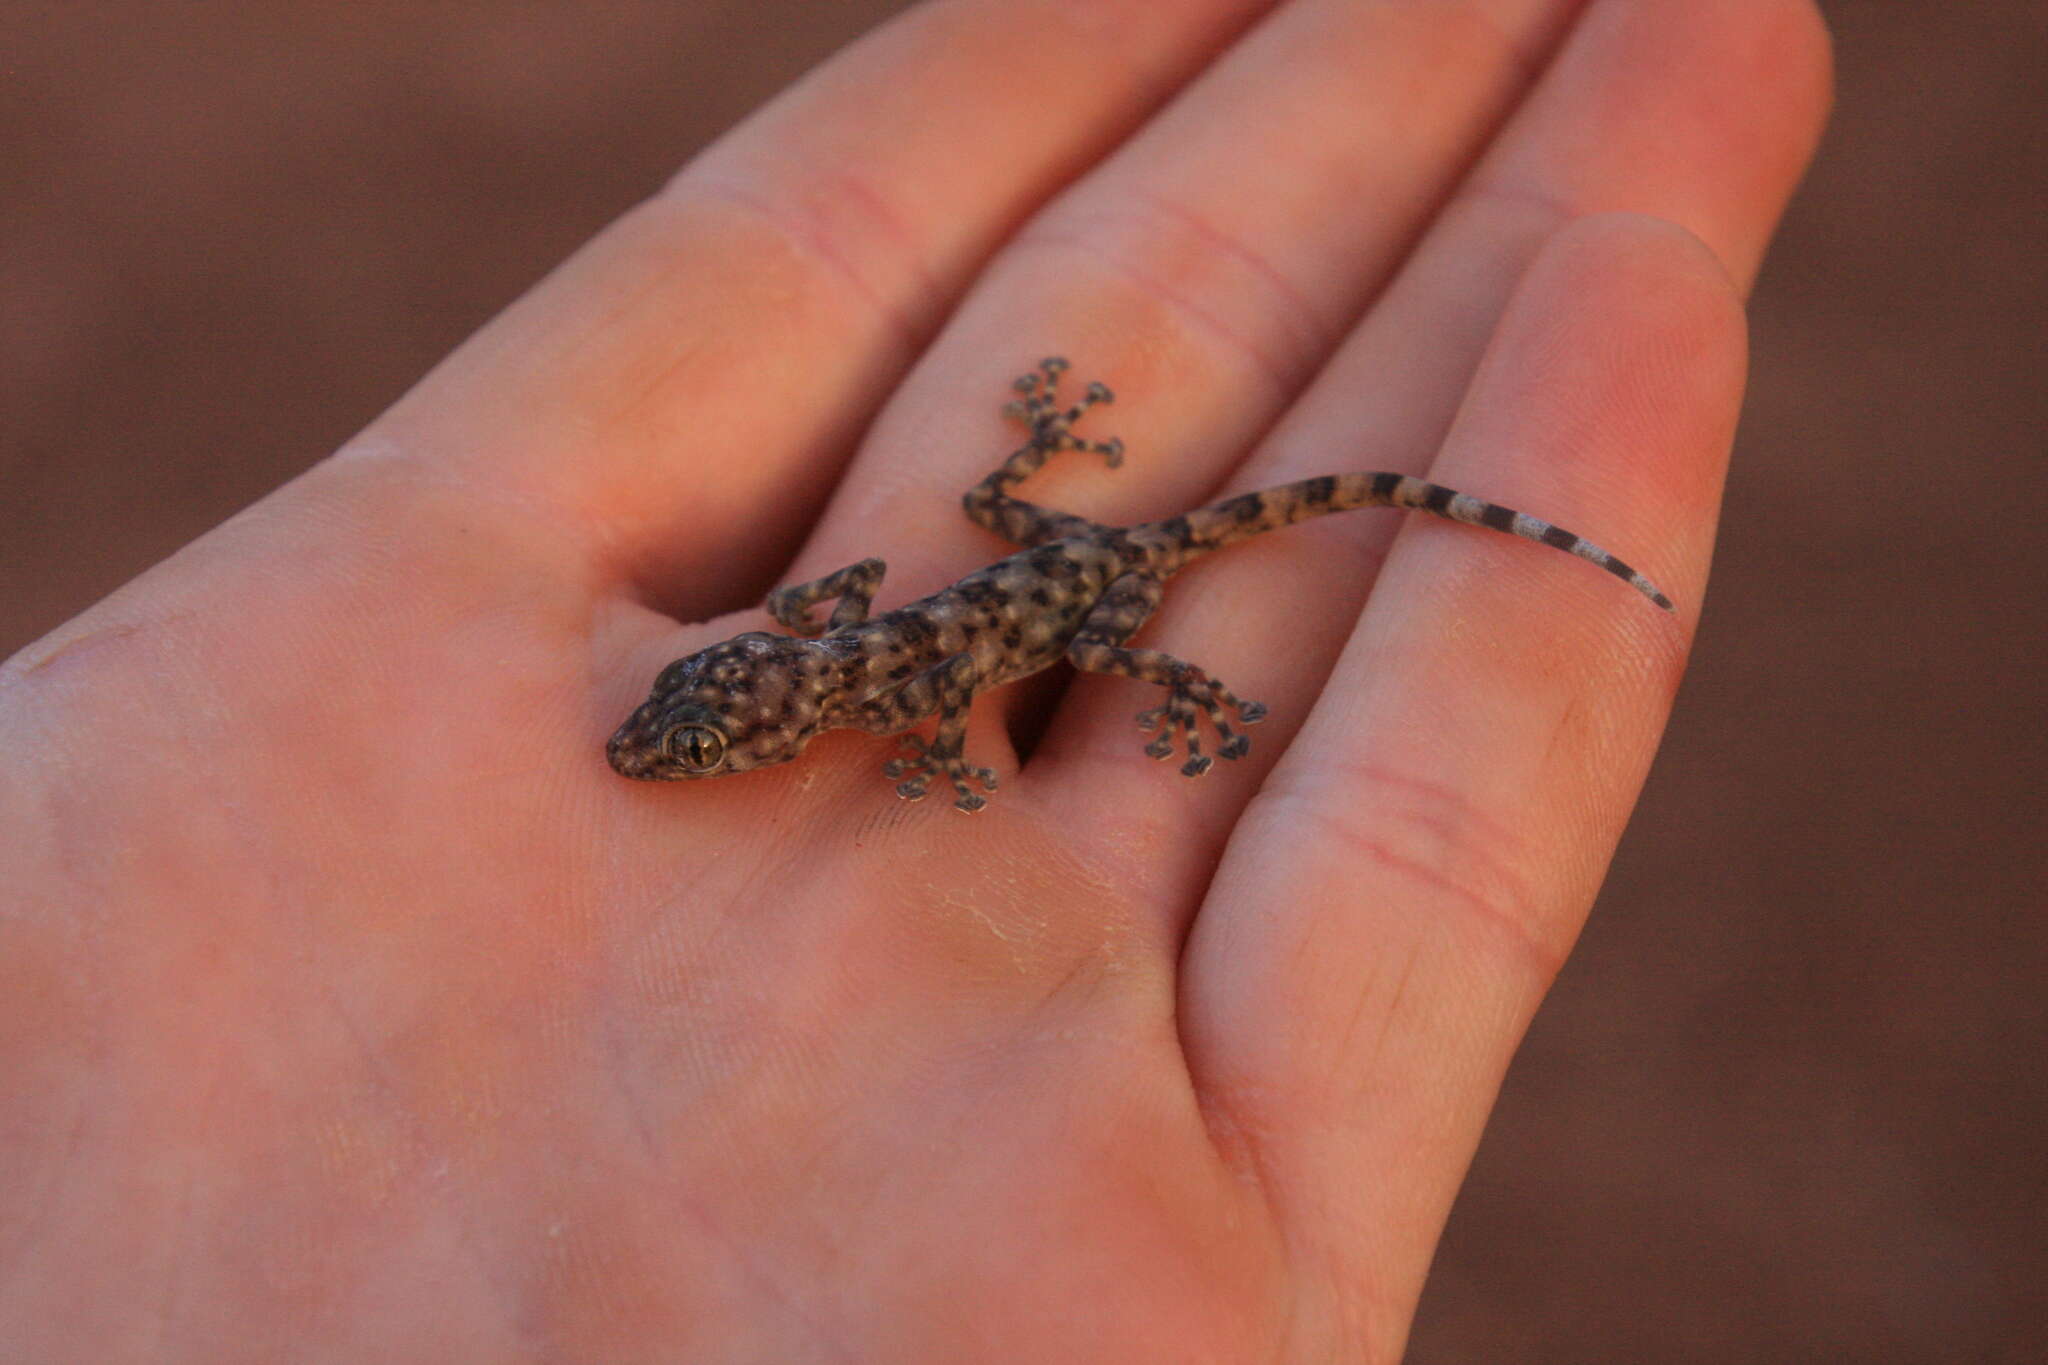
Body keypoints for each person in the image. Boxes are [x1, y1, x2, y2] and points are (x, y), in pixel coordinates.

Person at [0, 0, 1830, 1356]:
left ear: (764, 711)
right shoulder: (821, 659)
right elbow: (874, 613)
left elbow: (937, 694)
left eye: (679, 729)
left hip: (1081, 590)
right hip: (1043, 558)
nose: (659, 743)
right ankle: (1162, 529)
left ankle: (1460, 544)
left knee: (1122, 637)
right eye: (678, 731)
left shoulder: (861, 692)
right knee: (1026, 536)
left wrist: (992, 735)